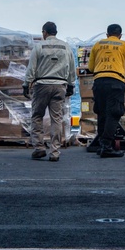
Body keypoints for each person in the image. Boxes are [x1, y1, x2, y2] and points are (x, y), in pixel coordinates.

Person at [23, 22, 76, 162]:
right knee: (56, 118)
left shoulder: (39, 46)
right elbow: (71, 68)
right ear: (56, 32)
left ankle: (39, 147)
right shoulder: (66, 47)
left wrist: (26, 84)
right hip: (60, 86)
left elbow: (31, 68)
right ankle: (55, 152)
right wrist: (71, 85)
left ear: (44, 32)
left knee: (37, 116)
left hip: (42, 85)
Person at [87, 24, 125, 159]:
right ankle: (107, 146)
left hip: (99, 82)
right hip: (116, 82)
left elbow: (91, 67)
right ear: (120, 35)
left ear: (107, 35)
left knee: (101, 113)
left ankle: (102, 145)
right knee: (113, 114)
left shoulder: (97, 45)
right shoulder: (124, 45)